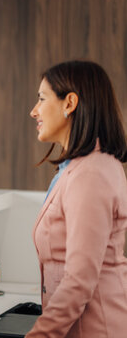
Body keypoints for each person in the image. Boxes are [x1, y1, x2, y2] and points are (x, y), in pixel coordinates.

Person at [27, 60, 127, 337]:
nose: (34, 111)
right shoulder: (78, 169)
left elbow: (80, 280)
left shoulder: (90, 174)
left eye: (42, 98)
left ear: (69, 103)